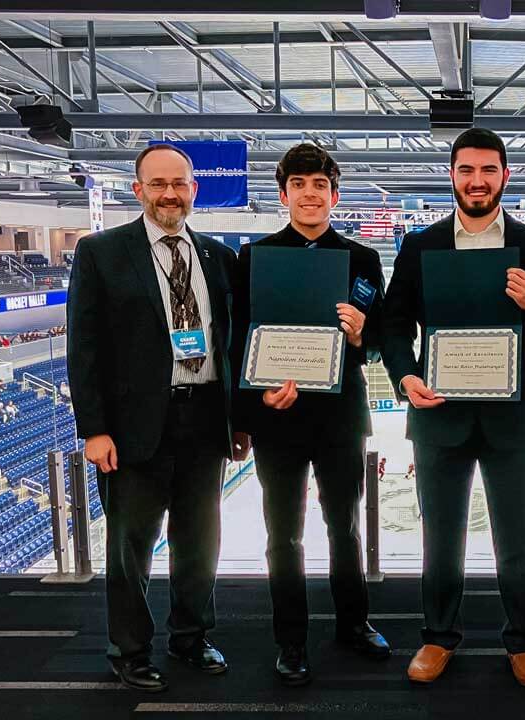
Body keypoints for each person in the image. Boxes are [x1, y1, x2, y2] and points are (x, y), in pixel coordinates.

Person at [382, 128, 525, 688]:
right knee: (440, 540)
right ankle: (438, 636)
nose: (477, 180)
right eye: (467, 170)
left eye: (488, 170)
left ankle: (523, 642)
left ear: (504, 177)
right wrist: (406, 373)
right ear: (452, 175)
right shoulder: (420, 247)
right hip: (440, 414)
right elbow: (395, 323)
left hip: (514, 419)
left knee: (518, 540)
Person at [67, 143, 244, 692]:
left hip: (205, 416)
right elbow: (85, 347)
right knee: (131, 547)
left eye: (180, 183)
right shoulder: (101, 252)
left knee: (199, 542)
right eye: (158, 183)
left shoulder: (218, 256)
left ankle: (191, 636)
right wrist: (94, 429)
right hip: (134, 426)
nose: (170, 193)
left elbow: (231, 344)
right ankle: (131, 649)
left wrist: (237, 421)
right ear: (138, 189)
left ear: (194, 189)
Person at [228, 143, 390, 686]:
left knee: (344, 529)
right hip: (279, 418)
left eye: (319, 184)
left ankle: (354, 623)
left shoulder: (363, 260)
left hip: (340, 416)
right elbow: (238, 343)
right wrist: (251, 408)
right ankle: (291, 640)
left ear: (334, 195)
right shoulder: (254, 258)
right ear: (284, 195)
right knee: (284, 535)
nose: (310, 193)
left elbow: (381, 343)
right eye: (299, 184)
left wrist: (364, 335)